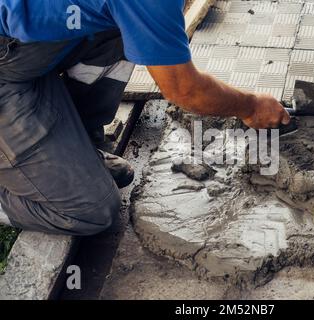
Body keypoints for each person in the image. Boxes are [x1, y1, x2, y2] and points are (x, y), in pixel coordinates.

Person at [0, 0, 290, 235]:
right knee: (91, 210)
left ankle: (80, 147)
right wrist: (250, 106)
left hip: (20, 51)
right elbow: (184, 89)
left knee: (121, 28)